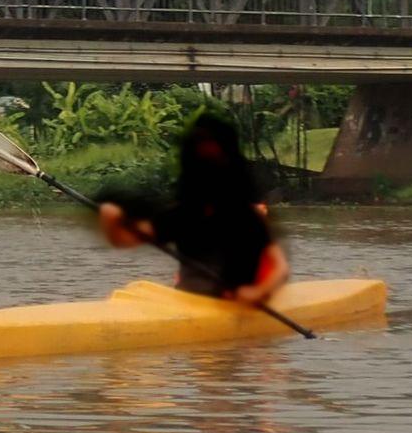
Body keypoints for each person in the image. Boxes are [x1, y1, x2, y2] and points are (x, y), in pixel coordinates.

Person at [95, 112, 289, 304]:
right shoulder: (182, 215)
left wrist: (257, 292)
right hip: (187, 301)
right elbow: (125, 240)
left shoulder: (246, 218)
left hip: (229, 304)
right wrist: (110, 220)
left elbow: (281, 268)